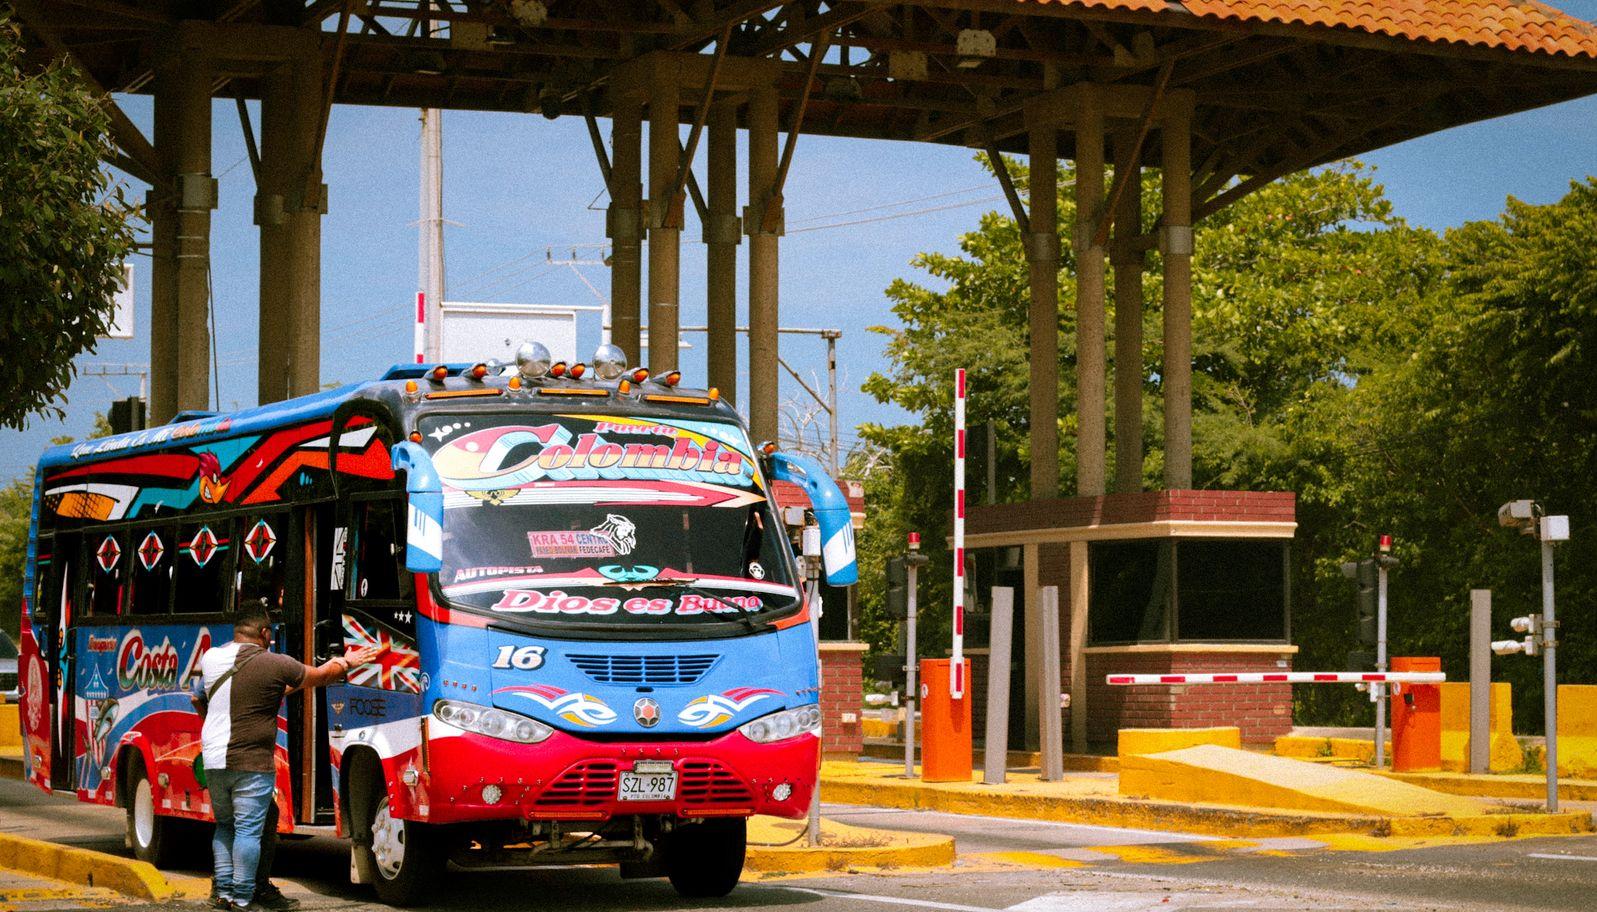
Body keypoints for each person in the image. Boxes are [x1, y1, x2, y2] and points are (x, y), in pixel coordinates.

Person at [196, 611, 383, 912]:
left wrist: (211, 728)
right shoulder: (275, 663)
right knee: (247, 830)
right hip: (251, 761)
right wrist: (347, 661)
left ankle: (223, 894)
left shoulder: (211, 658)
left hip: (214, 759)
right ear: (265, 634)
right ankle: (242, 897)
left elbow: (197, 697)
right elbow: (321, 676)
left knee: (226, 826)